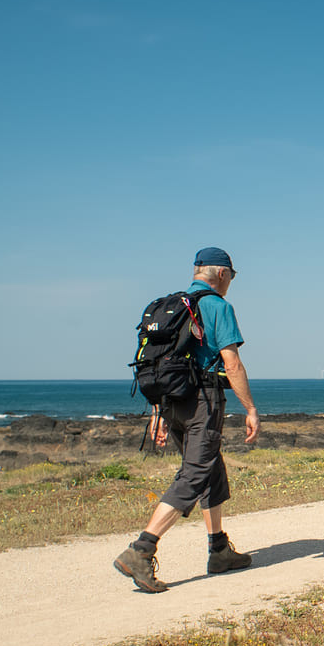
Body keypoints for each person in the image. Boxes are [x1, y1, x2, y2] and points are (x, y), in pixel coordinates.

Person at [114, 247, 261, 593]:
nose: (231, 282)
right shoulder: (216, 306)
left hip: (172, 402)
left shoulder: (173, 306)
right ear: (222, 274)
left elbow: (160, 362)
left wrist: (158, 412)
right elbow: (232, 363)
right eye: (232, 276)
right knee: (195, 474)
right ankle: (141, 549)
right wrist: (251, 409)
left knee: (211, 470)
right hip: (202, 402)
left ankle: (219, 550)